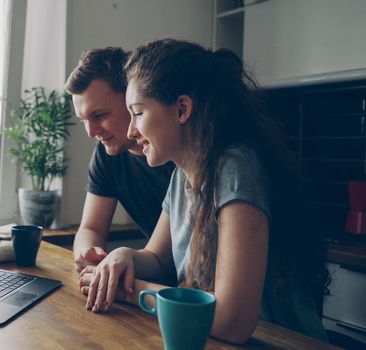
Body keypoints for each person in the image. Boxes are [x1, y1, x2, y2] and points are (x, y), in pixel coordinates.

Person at [81, 39, 330, 344]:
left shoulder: (235, 170)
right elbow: (157, 259)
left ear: (182, 109)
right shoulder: (181, 177)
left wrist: (132, 291)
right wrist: (124, 257)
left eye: (138, 113)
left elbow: (231, 320)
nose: (131, 131)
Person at [64, 47, 174, 279]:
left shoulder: (179, 154)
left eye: (99, 115)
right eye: (84, 119)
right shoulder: (106, 155)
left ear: (132, 99)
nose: (91, 132)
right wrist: (88, 252)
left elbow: (160, 259)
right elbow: (90, 229)